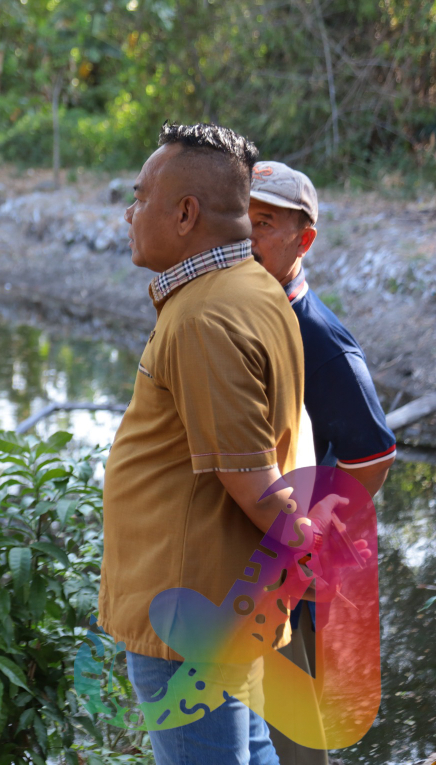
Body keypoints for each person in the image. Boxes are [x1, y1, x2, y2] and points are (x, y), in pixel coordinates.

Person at [99, 123, 302, 765]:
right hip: (226, 598)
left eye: (141, 197)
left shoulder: (204, 318)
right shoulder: (254, 289)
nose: (130, 214)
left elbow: (254, 481)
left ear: (185, 213)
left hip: (190, 616)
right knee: (251, 750)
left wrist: (315, 557)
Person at [248, 160, 396, 765]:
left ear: (303, 239)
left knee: (292, 731)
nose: (245, 237)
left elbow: (375, 453)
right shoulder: (248, 313)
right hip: (245, 562)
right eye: (240, 220)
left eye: (263, 223)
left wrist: (306, 534)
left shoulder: (321, 338)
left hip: (293, 573)